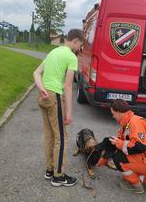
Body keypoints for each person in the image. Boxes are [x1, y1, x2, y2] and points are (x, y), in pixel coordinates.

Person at [33, 29, 84, 187]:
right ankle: (58, 176)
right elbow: (68, 86)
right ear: (75, 41)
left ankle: (49, 170)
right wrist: (69, 112)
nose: (79, 49)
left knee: (50, 135)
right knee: (61, 138)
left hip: (43, 96)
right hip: (54, 96)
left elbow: (36, 73)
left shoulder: (53, 52)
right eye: (80, 45)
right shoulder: (71, 57)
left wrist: (41, 88)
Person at [97, 99, 146, 196]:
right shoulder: (127, 123)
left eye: (113, 113)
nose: (113, 116)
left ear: (119, 112)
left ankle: (137, 187)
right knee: (126, 170)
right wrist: (104, 158)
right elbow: (118, 142)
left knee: (119, 160)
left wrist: (119, 144)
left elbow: (140, 146)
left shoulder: (134, 123)